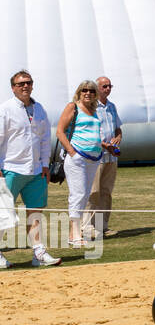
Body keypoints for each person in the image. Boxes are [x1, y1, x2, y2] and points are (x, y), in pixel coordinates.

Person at [0, 70, 61, 267]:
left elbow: (44, 139)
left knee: (35, 213)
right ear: (13, 88)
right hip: (10, 168)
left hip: (35, 171)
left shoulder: (40, 109)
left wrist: (45, 164)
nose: (25, 86)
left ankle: (39, 254)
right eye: (21, 84)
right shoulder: (5, 109)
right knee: (3, 213)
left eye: (28, 82)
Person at [56, 80, 106, 247]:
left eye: (91, 91)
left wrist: (104, 146)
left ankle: (74, 233)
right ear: (79, 92)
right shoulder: (73, 107)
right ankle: (75, 234)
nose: (88, 93)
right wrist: (72, 152)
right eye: (84, 90)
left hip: (93, 158)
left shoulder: (94, 110)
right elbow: (60, 131)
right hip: (78, 157)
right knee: (77, 194)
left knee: (85, 195)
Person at [85, 75, 122, 240]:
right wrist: (104, 145)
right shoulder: (91, 107)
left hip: (111, 157)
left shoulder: (112, 106)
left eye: (109, 86)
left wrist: (118, 138)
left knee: (106, 192)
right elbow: (88, 132)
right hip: (96, 156)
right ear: (97, 88)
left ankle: (102, 226)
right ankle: (87, 228)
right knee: (94, 191)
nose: (107, 89)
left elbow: (118, 128)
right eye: (104, 86)